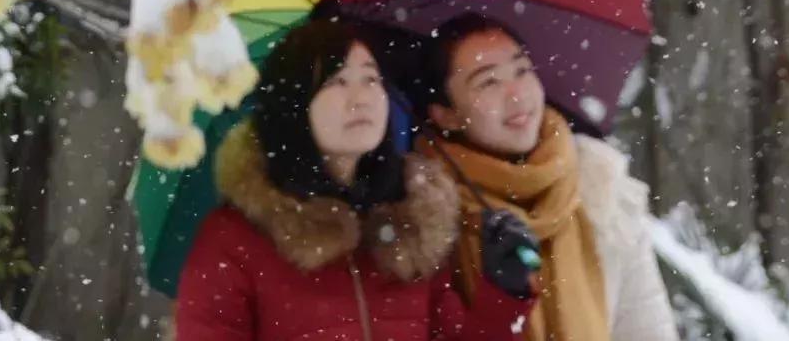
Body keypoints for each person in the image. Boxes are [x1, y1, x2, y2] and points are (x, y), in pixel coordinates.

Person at [175, 17, 540, 341]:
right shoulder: (234, 241)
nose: (361, 98)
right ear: (294, 104)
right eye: (337, 81)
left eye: (370, 78)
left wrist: (503, 294)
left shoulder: (409, 223)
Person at [418, 17, 679, 341]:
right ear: (445, 114)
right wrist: (498, 295)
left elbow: (646, 330)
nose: (516, 95)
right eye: (488, 83)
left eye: (522, 70)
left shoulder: (600, 188)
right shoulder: (426, 219)